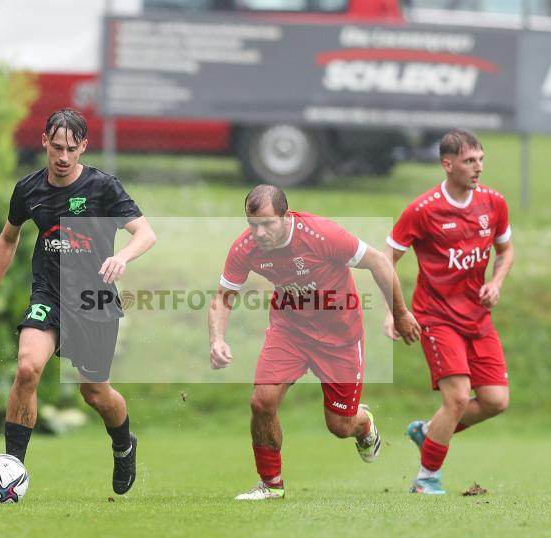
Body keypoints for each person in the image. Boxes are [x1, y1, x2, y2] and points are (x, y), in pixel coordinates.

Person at [0, 108, 156, 495]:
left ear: (84, 146)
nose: (64, 156)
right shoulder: (29, 190)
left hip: (94, 300)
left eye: (72, 148)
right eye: (57, 147)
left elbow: (145, 233)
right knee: (26, 369)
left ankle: (123, 445)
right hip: (48, 295)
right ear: (44, 143)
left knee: (95, 393)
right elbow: (8, 237)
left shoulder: (103, 187)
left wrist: (122, 257)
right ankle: (11, 472)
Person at [209, 184, 420, 500]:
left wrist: (400, 313)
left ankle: (362, 424)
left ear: (286, 215)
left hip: (340, 337)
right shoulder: (245, 248)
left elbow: (378, 261)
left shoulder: (322, 235)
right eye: (253, 225)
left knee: (339, 426)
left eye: (268, 224)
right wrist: (217, 339)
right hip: (289, 331)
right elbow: (223, 297)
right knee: (261, 401)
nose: (260, 233)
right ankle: (271, 484)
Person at [384, 129, 514, 495]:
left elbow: (506, 251)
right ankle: (426, 479)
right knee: (456, 399)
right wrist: (395, 311)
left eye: (481, 160)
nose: (478, 168)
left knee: (495, 401)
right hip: (436, 317)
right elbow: (386, 260)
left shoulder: (493, 203)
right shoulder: (423, 210)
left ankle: (428, 433)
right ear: (448, 164)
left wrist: (496, 283)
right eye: (470, 161)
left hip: (478, 316)